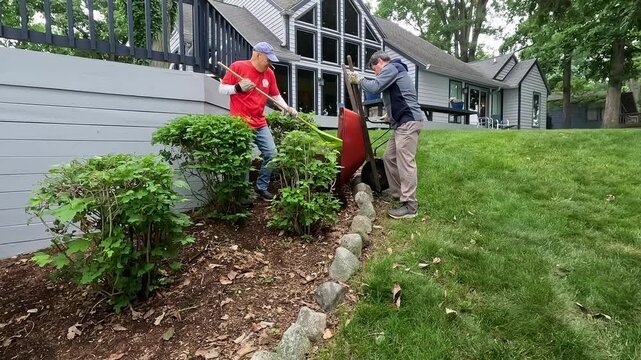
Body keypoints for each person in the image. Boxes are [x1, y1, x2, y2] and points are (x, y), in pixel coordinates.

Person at [346, 51, 425, 219]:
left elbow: (375, 87)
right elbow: (398, 96)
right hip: (401, 123)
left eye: (375, 70)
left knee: (406, 162)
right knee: (389, 157)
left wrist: (359, 79)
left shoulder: (392, 67)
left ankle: (410, 206)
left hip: (408, 122)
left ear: (381, 61)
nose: (377, 74)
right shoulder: (394, 72)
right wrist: (388, 116)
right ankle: (398, 195)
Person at [219, 42, 298, 201]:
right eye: (268, 59)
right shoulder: (238, 67)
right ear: (257, 55)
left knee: (272, 153)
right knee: (244, 158)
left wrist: (287, 108)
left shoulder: (269, 74)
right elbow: (221, 89)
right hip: (240, 121)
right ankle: (244, 194)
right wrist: (237, 88)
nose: (270, 63)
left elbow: (275, 96)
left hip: (259, 122)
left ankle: (261, 187)